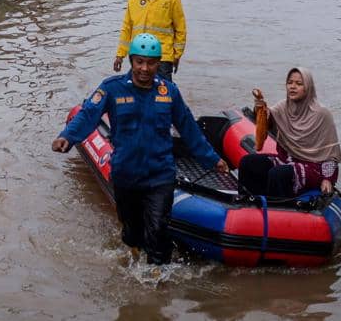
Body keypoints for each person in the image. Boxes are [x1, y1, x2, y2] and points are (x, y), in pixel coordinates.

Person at [53, 34, 228, 265]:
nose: (145, 68)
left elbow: (189, 129)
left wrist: (213, 159)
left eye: (151, 62)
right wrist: (67, 136)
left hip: (160, 175)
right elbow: (88, 115)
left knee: (157, 230)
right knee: (132, 233)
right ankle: (134, 255)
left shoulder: (169, 92)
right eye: (139, 62)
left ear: (158, 63)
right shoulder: (111, 88)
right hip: (126, 174)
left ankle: (157, 279)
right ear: (131, 61)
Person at [238, 67, 341, 199]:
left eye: (299, 84)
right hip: (285, 160)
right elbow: (267, 123)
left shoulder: (322, 114)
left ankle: (277, 208)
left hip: (313, 167)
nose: (292, 87)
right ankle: (248, 203)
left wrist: (328, 179)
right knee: (248, 162)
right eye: (290, 83)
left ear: (308, 88)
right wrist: (261, 111)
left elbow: (330, 153)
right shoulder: (283, 107)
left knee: (278, 174)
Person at [115, 0, 187, 81]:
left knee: (163, 91)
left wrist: (177, 55)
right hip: (138, 53)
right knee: (136, 89)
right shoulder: (134, 0)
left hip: (162, 56)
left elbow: (180, 29)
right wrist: (120, 55)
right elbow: (126, 29)